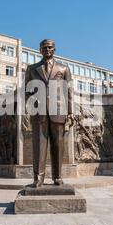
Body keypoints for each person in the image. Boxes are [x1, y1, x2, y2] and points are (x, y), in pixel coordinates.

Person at [25, 39, 74, 188]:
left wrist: (70, 112)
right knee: (39, 147)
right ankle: (38, 178)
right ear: (40, 50)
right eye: (44, 47)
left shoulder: (64, 69)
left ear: (55, 49)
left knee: (58, 146)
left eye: (50, 47)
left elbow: (69, 92)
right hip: (39, 113)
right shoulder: (32, 69)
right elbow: (26, 91)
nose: (47, 50)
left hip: (58, 111)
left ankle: (57, 177)